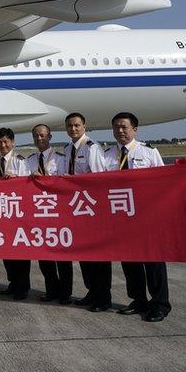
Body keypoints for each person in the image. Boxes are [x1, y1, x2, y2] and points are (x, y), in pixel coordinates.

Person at [106, 112, 171, 322]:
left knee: (153, 263)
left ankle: (160, 304)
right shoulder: (107, 155)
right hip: (122, 218)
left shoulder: (149, 152)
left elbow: (163, 183)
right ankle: (138, 300)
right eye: (116, 127)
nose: (120, 131)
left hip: (147, 217)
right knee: (130, 262)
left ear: (135, 129)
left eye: (124, 127)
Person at [59, 112, 109, 312]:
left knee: (98, 257)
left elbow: (97, 179)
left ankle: (103, 297)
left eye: (77, 125)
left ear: (84, 126)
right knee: (85, 256)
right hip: (76, 208)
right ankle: (92, 291)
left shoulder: (92, 148)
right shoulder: (67, 148)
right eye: (70, 126)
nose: (73, 129)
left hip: (91, 209)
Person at [27, 124, 72, 304]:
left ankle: (65, 293)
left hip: (58, 212)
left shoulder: (60, 158)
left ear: (50, 137)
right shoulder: (29, 160)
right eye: (36, 136)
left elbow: (65, 183)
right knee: (44, 256)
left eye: (43, 136)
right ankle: (51, 289)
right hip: (38, 213)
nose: (40, 139)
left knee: (62, 257)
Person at [0, 127, 31, 300]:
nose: (3, 145)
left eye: (6, 141)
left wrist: (15, 180)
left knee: (21, 253)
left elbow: (28, 184)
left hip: (17, 213)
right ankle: (12, 283)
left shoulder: (21, 161)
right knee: (6, 252)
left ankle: (23, 287)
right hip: (1, 212)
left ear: (13, 142)